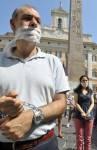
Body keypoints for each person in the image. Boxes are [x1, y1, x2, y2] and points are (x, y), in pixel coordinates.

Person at [0, 5, 69, 150]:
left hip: (44, 143)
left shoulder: (53, 61)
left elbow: (61, 102)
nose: (34, 22)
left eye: (38, 20)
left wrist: (31, 116)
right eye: (27, 18)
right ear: (12, 24)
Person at [73, 75, 94, 150]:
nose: (85, 82)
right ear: (80, 81)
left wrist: (88, 112)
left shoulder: (90, 91)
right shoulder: (76, 91)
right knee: (79, 138)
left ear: (88, 81)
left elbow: (92, 103)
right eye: (83, 80)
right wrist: (82, 112)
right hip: (78, 116)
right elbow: (76, 103)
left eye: (86, 80)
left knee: (88, 138)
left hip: (89, 116)